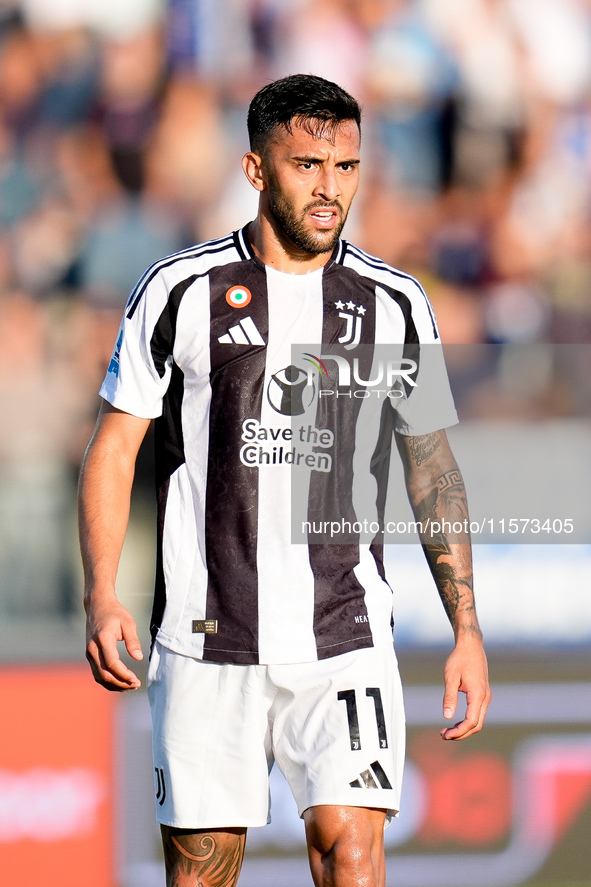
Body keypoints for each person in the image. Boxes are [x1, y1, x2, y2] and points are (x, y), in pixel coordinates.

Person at [79, 74, 490, 887]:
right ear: (256, 169)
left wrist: (465, 628)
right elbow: (114, 447)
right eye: (306, 165)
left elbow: (430, 464)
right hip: (206, 635)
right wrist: (102, 591)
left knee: (352, 850)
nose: (329, 187)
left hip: (345, 630)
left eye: (345, 167)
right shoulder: (178, 292)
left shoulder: (395, 303)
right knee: (201, 874)